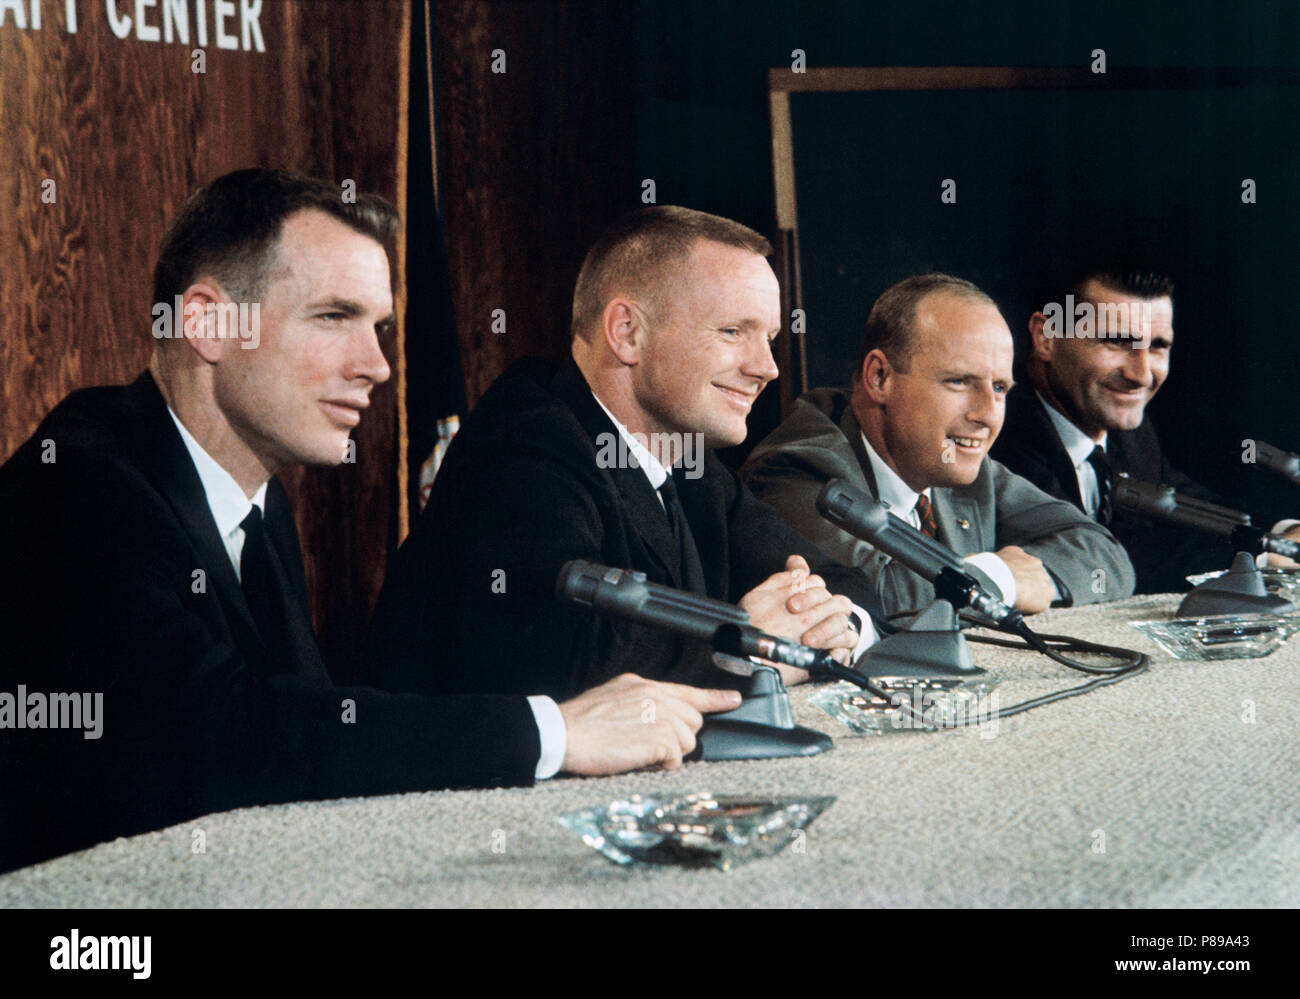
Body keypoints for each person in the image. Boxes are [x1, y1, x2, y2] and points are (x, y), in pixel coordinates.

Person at [0, 170, 740, 873]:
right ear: (207, 322)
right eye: (333, 318)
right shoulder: (81, 479)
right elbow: (220, 735)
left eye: (380, 325)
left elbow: (304, 732)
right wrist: (551, 731)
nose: (378, 365)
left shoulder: (255, 496)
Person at [364, 206, 886, 701]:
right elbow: (571, 665)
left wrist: (832, 624)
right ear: (627, 332)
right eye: (732, 332)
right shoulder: (521, 448)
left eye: (768, 338)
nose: (767, 368)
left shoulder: (685, 458)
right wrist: (746, 645)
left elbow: (839, 580)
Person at [741, 274, 1134, 619]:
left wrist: (1012, 578)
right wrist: (1003, 578)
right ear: (879, 377)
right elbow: (874, 596)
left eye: (999, 388)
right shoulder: (795, 468)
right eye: (959, 382)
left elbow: (1106, 555)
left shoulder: (957, 464)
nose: (987, 414)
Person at [990, 262, 1300, 593]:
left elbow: (1191, 509)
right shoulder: (998, 429)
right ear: (1046, 337)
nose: (1141, 374)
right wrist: (1260, 554)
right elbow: (1099, 558)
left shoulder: (1126, 426)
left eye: (1157, 346)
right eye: (1117, 341)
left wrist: (1282, 533)